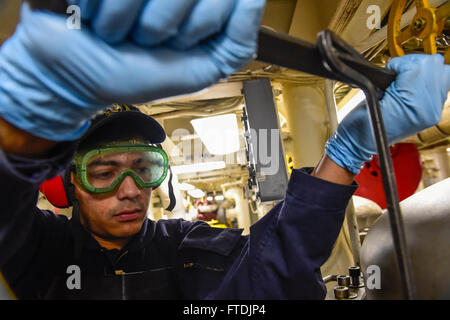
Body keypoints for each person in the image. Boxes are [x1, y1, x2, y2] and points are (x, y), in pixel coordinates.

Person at [0, 1, 449, 299]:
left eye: (144, 169)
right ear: (72, 183)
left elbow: (273, 273)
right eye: (105, 172)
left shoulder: (186, 246)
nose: (130, 189)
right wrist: (26, 117)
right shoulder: (40, 248)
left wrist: (347, 151)